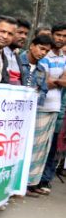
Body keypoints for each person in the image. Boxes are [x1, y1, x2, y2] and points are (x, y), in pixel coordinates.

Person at [20, 34, 54, 197]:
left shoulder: (41, 70)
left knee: (28, 149)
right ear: (32, 45)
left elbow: (44, 91)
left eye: (46, 51)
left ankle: (24, 185)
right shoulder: (18, 60)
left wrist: (35, 96)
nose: (43, 53)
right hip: (13, 115)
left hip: (30, 115)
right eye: (41, 48)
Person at [35, 23, 66, 194]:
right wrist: (58, 81)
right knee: (36, 147)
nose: (61, 39)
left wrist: (54, 81)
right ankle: (31, 182)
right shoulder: (44, 57)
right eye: (58, 35)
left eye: (64, 36)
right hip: (41, 107)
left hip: (56, 109)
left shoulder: (63, 57)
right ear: (52, 35)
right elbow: (42, 83)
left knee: (51, 147)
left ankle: (42, 180)